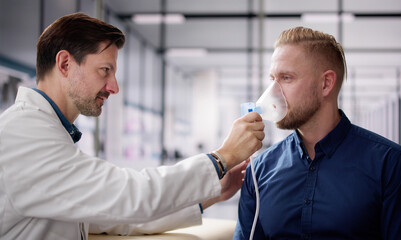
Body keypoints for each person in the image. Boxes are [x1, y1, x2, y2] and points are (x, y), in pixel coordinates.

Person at [0, 13, 265, 239]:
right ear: (65, 64)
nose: (114, 87)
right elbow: (129, 194)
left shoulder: (47, 133)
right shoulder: (24, 135)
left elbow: (112, 216)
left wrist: (211, 195)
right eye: (105, 70)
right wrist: (222, 158)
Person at [234, 26, 401, 239]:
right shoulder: (259, 170)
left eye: (286, 78)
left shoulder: (391, 165)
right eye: (273, 78)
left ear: (326, 83)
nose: (273, 92)